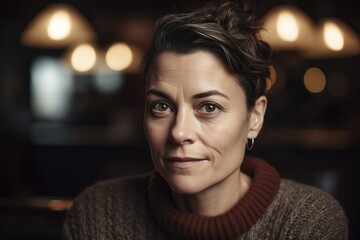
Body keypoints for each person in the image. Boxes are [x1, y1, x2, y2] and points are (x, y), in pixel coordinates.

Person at [62, 0, 348, 239]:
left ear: (255, 117)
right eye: (161, 106)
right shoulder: (98, 215)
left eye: (209, 107)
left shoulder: (305, 223)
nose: (179, 132)